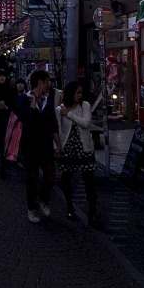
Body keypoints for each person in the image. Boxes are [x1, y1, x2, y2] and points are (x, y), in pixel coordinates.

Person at [16, 70, 61, 224]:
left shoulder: (48, 101)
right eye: (47, 81)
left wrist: (58, 144)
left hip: (46, 146)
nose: (49, 84)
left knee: (50, 176)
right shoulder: (23, 99)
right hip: (30, 146)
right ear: (40, 82)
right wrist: (33, 102)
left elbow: (53, 124)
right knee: (32, 178)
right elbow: (26, 117)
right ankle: (32, 208)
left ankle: (43, 198)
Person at [55, 81, 100, 228]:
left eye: (81, 93)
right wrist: (57, 147)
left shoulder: (85, 105)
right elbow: (59, 130)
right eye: (77, 93)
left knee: (89, 180)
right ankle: (69, 206)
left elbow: (86, 123)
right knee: (67, 178)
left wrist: (69, 114)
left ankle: (93, 211)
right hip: (68, 148)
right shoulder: (59, 109)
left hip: (84, 147)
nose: (80, 96)